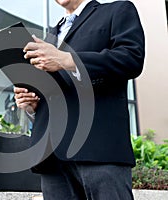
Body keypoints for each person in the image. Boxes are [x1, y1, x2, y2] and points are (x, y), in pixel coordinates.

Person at [14, 0, 145, 199]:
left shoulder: (117, 10)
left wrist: (68, 60)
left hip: (99, 151)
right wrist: (33, 105)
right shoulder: (51, 34)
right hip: (53, 158)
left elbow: (131, 58)